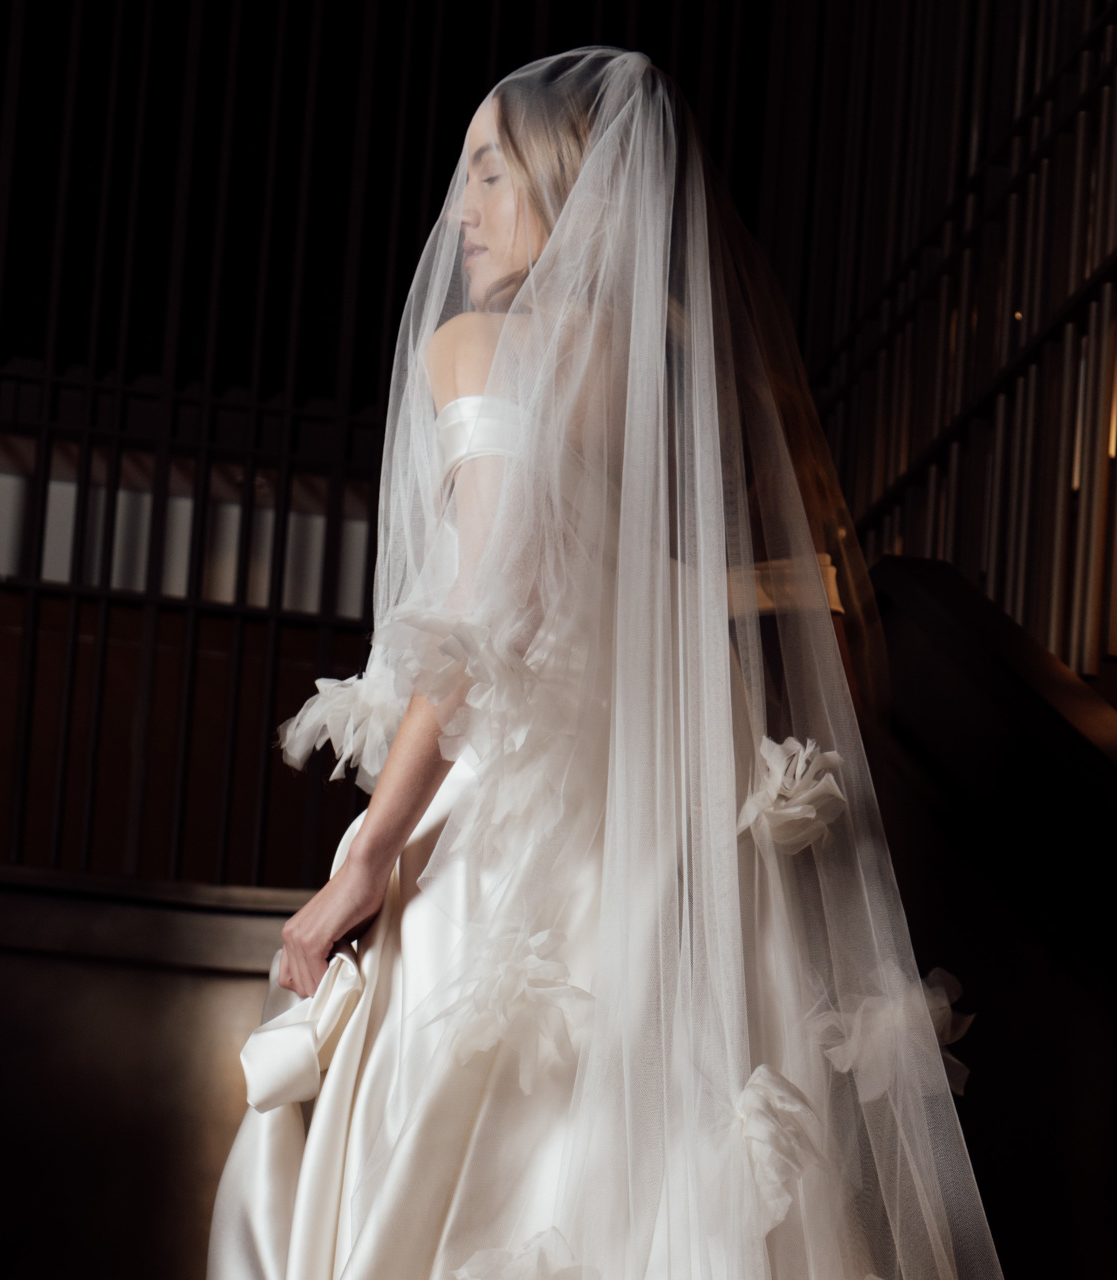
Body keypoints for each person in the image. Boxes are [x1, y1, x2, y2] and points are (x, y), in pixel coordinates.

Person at [209, 48, 1002, 1280]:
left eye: (487, 172)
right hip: (680, 827)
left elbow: (491, 611)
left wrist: (365, 851)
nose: (461, 210)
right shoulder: (680, 371)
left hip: (529, 815)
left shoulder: (481, 351)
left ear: (561, 179)